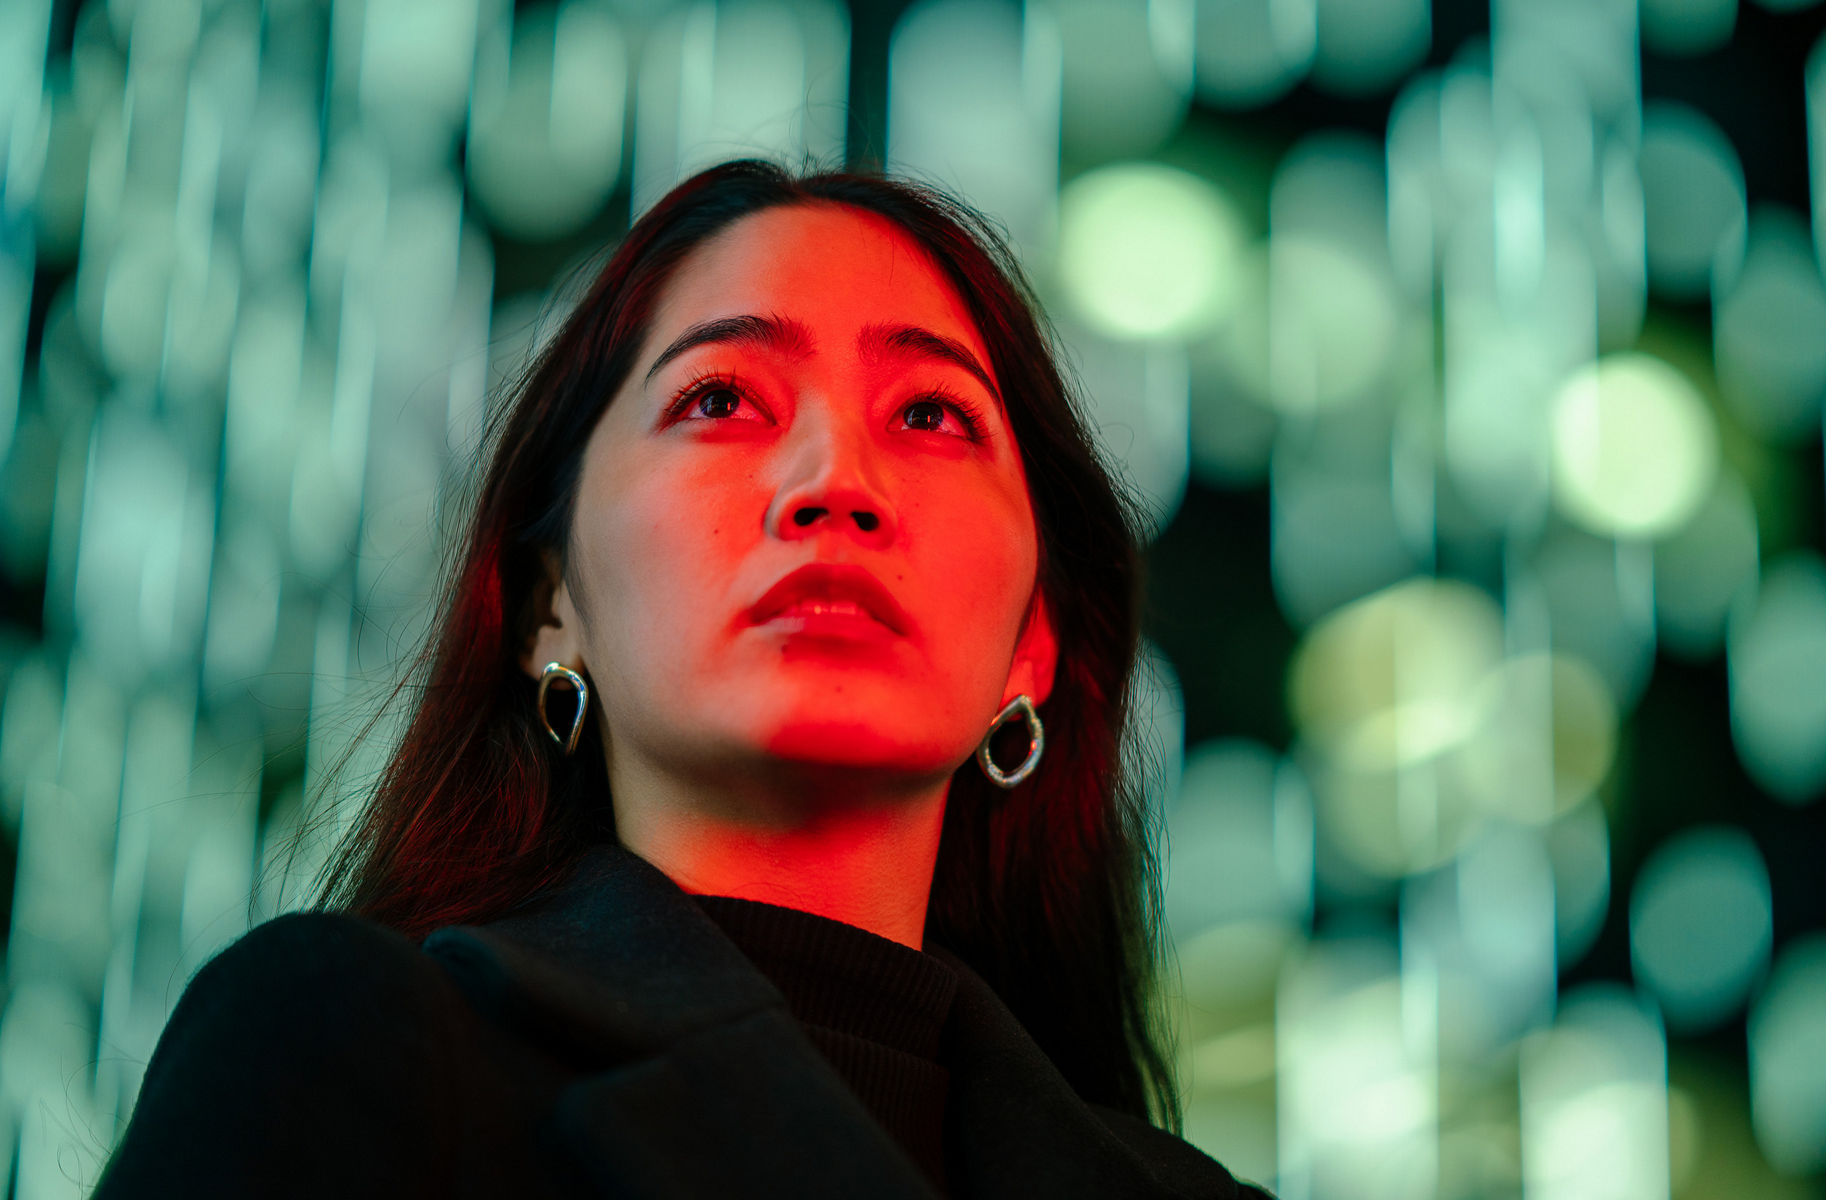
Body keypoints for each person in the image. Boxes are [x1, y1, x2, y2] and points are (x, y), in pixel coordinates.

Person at [91, 159, 1274, 1198]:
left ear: (1034, 647)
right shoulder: (341, 1051)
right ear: (552, 605)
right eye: (719, 400)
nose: (832, 482)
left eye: (929, 414)